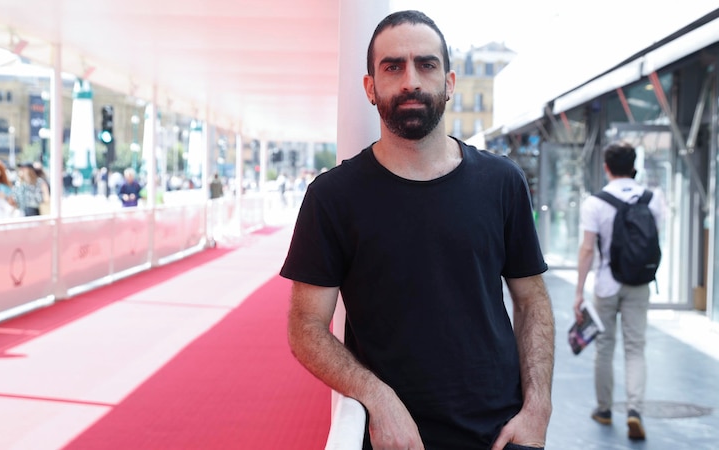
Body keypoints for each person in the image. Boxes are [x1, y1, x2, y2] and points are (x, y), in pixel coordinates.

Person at [281, 10, 554, 450]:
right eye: (393, 66)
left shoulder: (502, 182)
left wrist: (538, 409)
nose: (411, 80)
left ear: (448, 83)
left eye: (426, 64)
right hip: (395, 439)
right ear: (371, 88)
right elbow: (305, 326)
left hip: (501, 435)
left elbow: (532, 301)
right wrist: (376, 396)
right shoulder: (332, 197)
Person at [573, 141, 664, 441]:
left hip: (606, 284)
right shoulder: (653, 198)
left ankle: (604, 409)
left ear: (606, 167)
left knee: (605, 347)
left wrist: (578, 292)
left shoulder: (596, 202)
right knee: (636, 347)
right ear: (634, 165)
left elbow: (587, 250)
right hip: (640, 282)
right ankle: (635, 410)